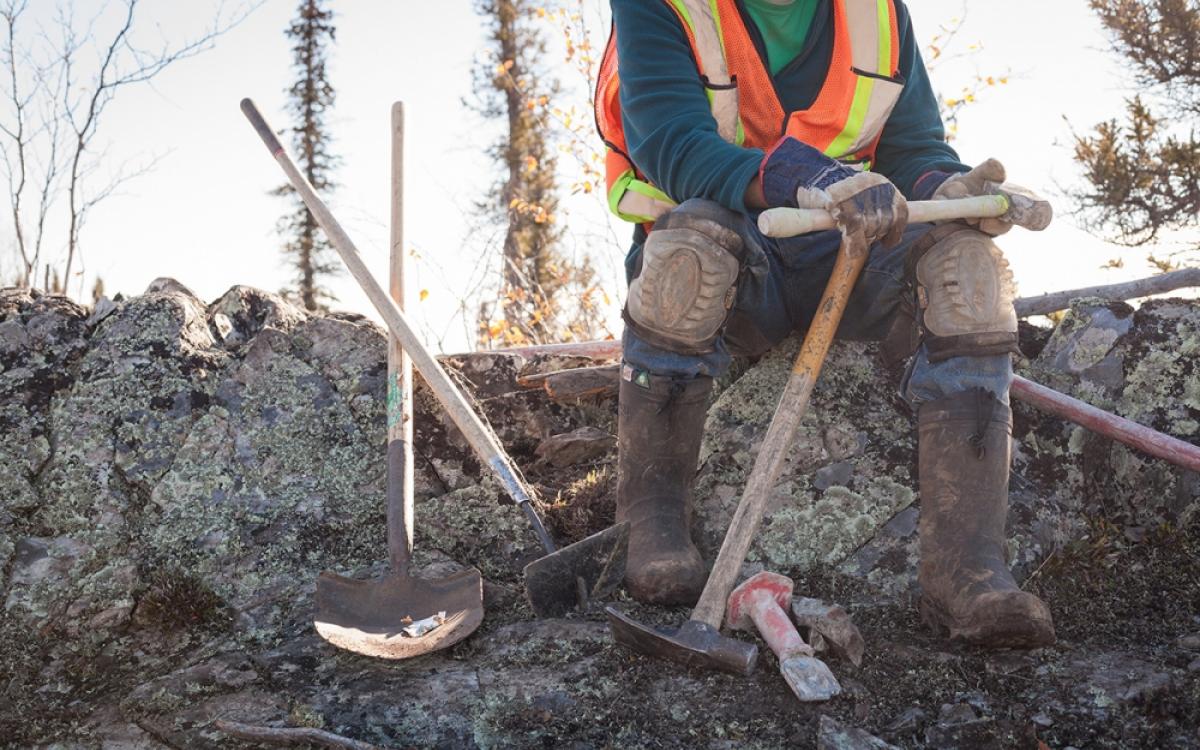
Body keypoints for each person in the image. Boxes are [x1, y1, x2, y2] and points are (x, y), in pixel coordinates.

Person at [596, 0, 1055, 648]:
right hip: (734, 267)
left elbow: (913, 149)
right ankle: (651, 524)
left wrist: (945, 188)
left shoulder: (877, 12)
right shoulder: (662, 7)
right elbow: (672, 144)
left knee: (967, 267)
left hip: (846, 255)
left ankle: (969, 574)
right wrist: (801, 175)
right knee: (686, 267)